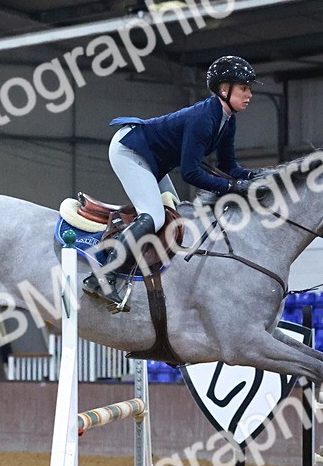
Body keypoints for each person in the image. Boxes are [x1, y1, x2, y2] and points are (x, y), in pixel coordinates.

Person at [82, 55, 260, 311]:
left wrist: (255, 177)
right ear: (224, 89)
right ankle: (103, 277)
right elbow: (190, 173)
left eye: (249, 89)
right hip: (130, 150)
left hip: (152, 159)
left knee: (174, 209)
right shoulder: (204, 118)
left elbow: (229, 166)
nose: (249, 94)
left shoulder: (227, 120)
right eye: (244, 88)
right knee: (153, 215)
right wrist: (232, 188)